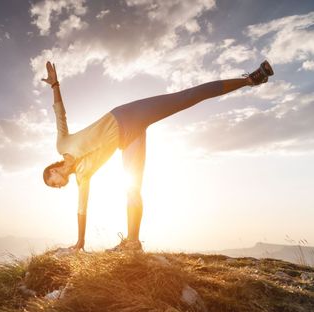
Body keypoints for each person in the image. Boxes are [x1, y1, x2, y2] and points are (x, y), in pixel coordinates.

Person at [42, 60, 274, 252]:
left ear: (52, 170)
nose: (59, 186)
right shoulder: (83, 178)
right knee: (132, 189)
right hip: (129, 140)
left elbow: (60, 114)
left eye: (54, 183)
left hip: (126, 115)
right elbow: (82, 210)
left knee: (186, 97)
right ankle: (133, 242)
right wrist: (80, 243)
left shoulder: (62, 144)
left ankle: (250, 80)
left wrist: (55, 85)